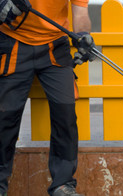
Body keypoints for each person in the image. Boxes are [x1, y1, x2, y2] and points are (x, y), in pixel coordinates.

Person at [0, 0, 95, 195]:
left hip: (55, 45)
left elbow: (80, 14)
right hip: (13, 41)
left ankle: (63, 184)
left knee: (65, 114)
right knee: (4, 117)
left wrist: (84, 35)